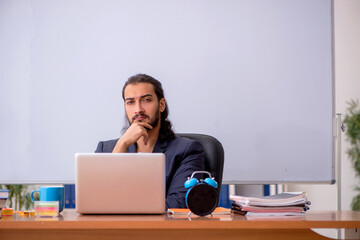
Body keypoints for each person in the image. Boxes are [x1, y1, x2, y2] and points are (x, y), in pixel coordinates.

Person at [95, 73, 205, 208]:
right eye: (130, 102)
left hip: (161, 228)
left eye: (146, 100)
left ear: (161, 105)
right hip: (113, 228)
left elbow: (177, 204)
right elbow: (96, 201)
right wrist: (121, 146)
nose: (138, 109)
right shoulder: (105, 149)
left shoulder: (186, 150)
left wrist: (121, 206)